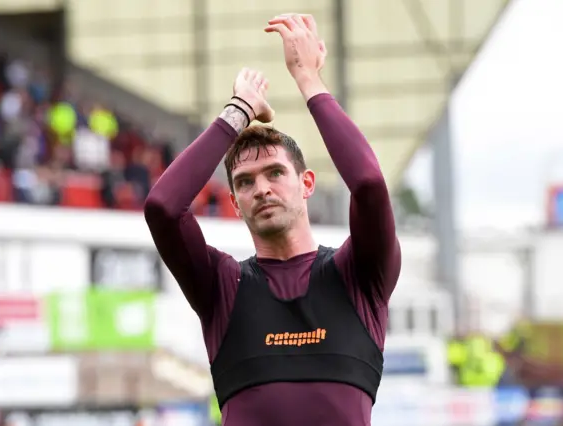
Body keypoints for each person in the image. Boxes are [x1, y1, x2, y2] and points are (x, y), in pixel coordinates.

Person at [144, 13, 401, 426]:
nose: (261, 188)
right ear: (235, 201)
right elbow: (162, 207)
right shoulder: (221, 287)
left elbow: (369, 183)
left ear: (307, 183)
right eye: (245, 182)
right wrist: (239, 110)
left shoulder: (358, 275)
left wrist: (308, 78)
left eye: (276, 173)